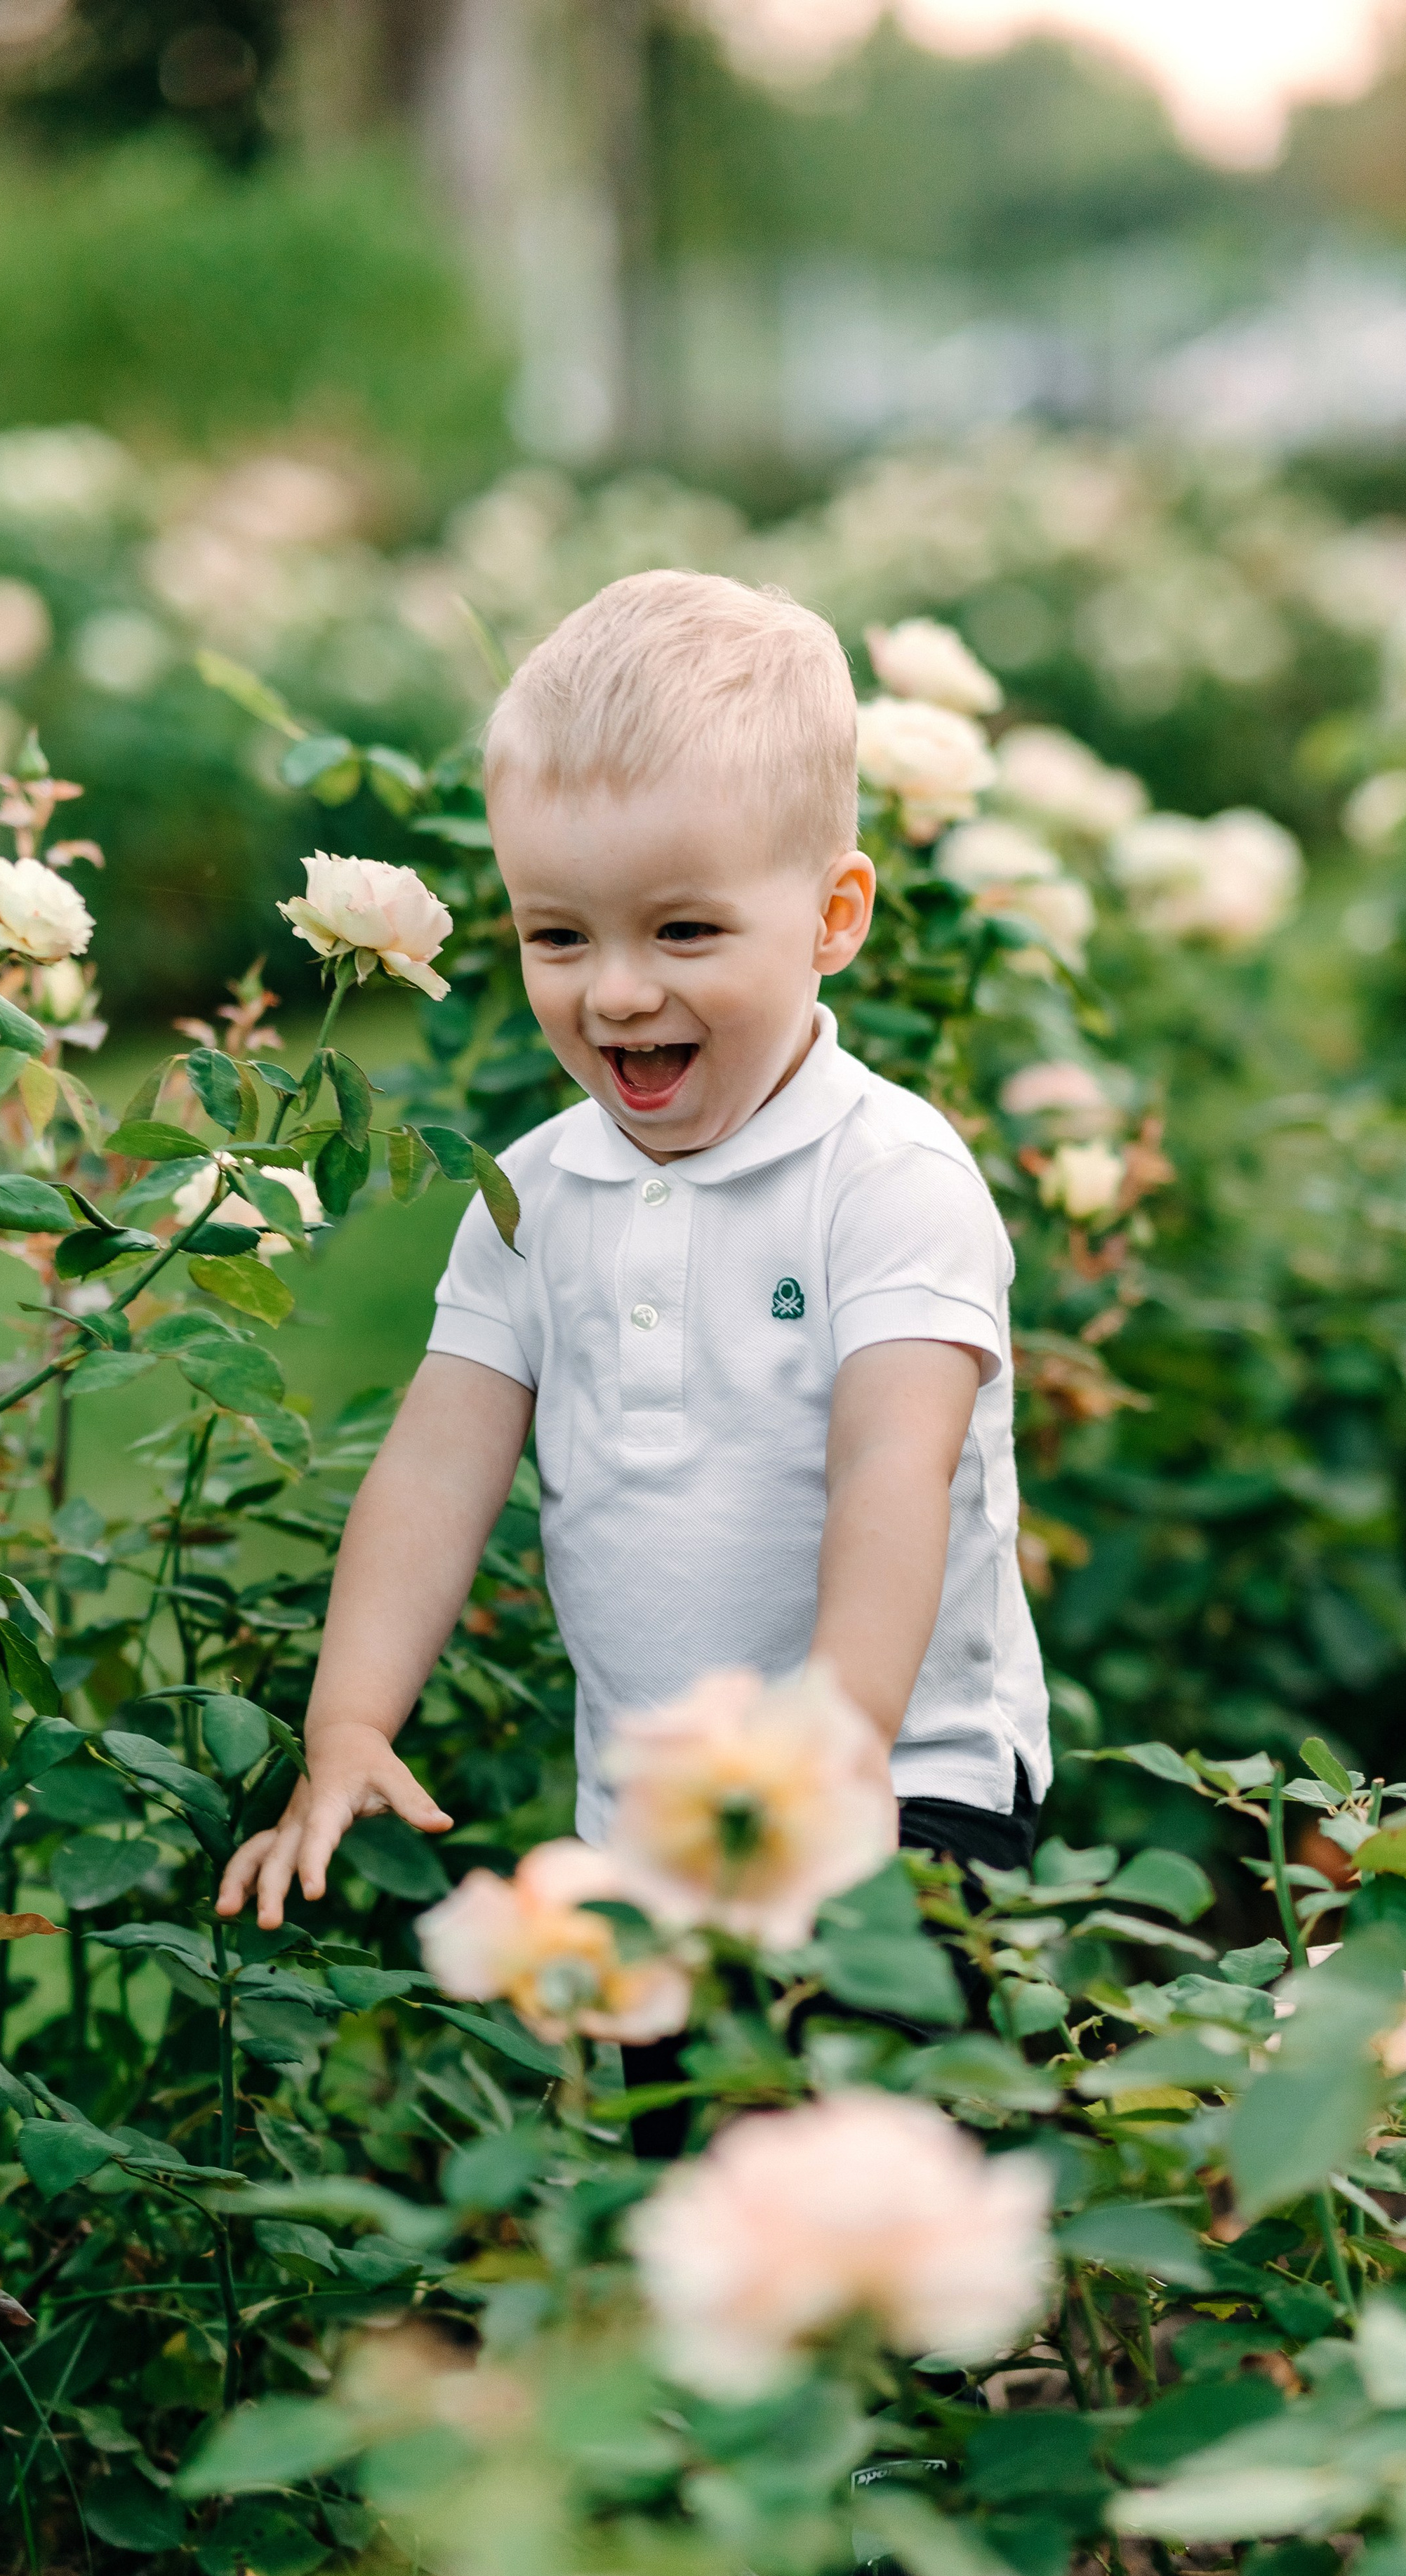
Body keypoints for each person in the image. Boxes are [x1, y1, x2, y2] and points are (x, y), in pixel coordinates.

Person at [217, 569, 1052, 1978]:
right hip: (648, 1836)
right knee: (681, 2170)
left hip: (902, 1793)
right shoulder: (534, 1196)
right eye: (559, 934)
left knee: (859, 2166)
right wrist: (348, 1720)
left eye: (681, 931)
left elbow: (890, 1474)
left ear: (833, 915)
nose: (612, 990)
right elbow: (433, 1470)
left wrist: (830, 1755)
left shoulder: (885, 1180)